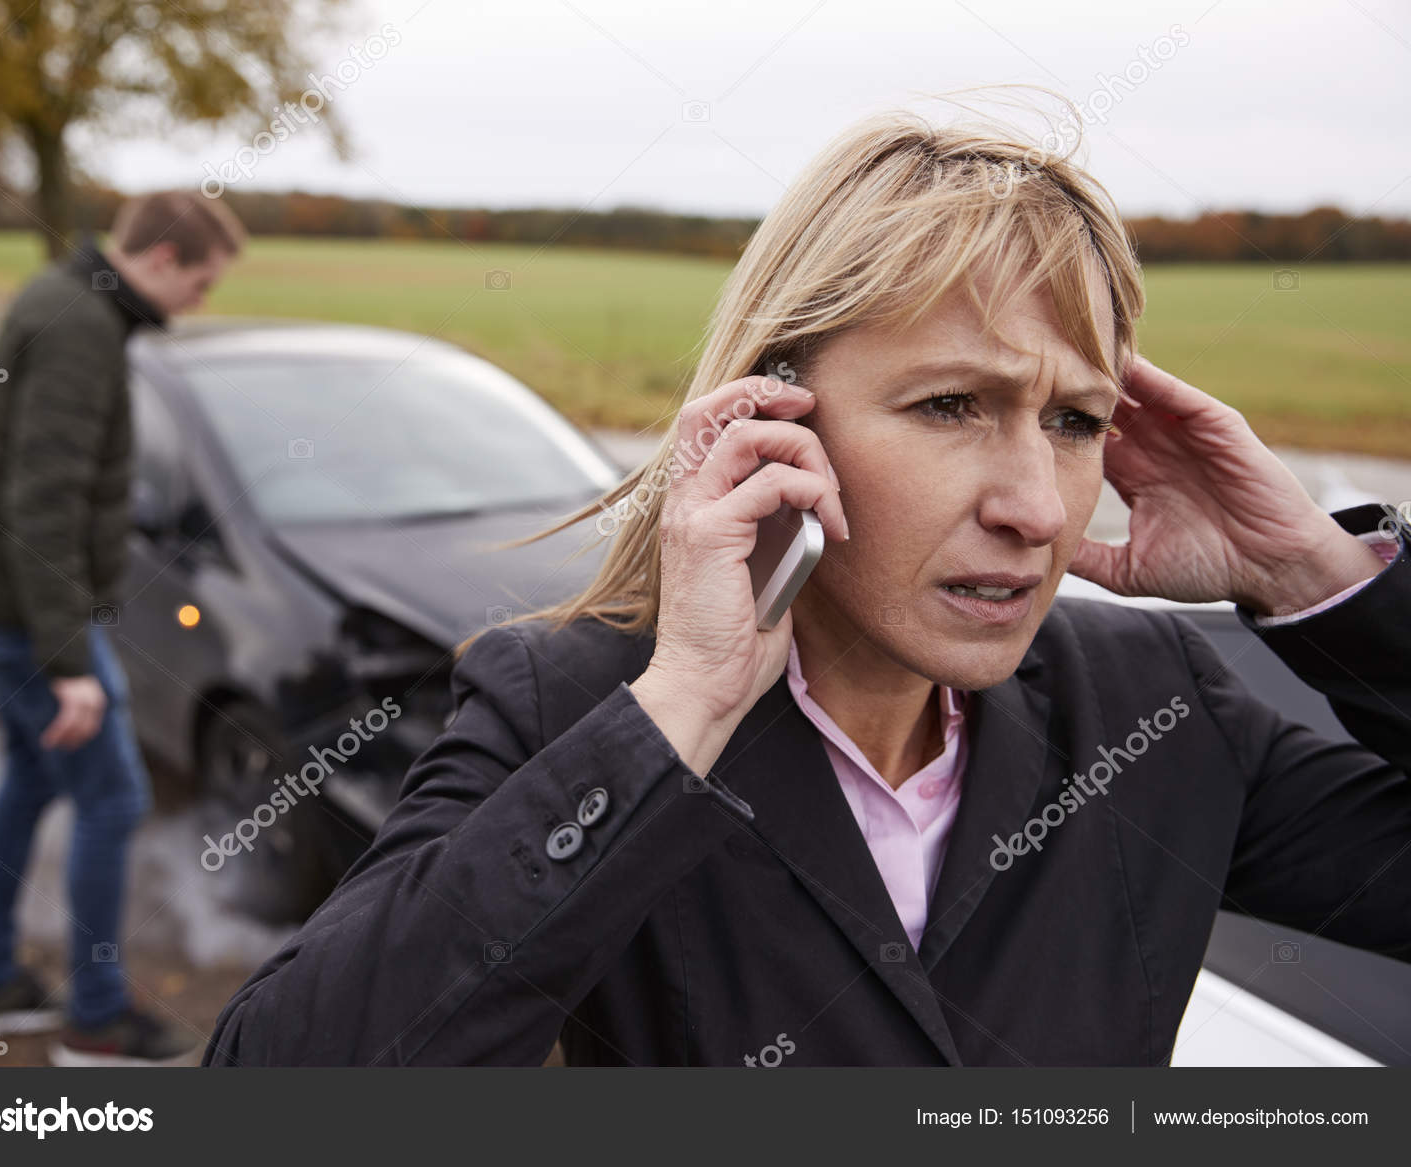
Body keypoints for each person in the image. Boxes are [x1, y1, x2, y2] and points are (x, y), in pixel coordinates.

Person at [203, 106, 1409, 1066]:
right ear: (776, 417)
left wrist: (1322, 578)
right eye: (951, 405)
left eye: (1077, 420)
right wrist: (681, 708)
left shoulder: (1154, 702)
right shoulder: (582, 703)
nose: (1037, 505)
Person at [0, 191, 244, 1066]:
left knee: (33, 780)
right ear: (167, 260)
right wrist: (69, 661)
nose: (201, 303)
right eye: (204, 283)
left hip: (4, 605)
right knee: (114, 797)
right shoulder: (81, 327)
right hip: (25, 618)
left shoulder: (72, 301)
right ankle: (96, 1021)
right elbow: (43, 504)